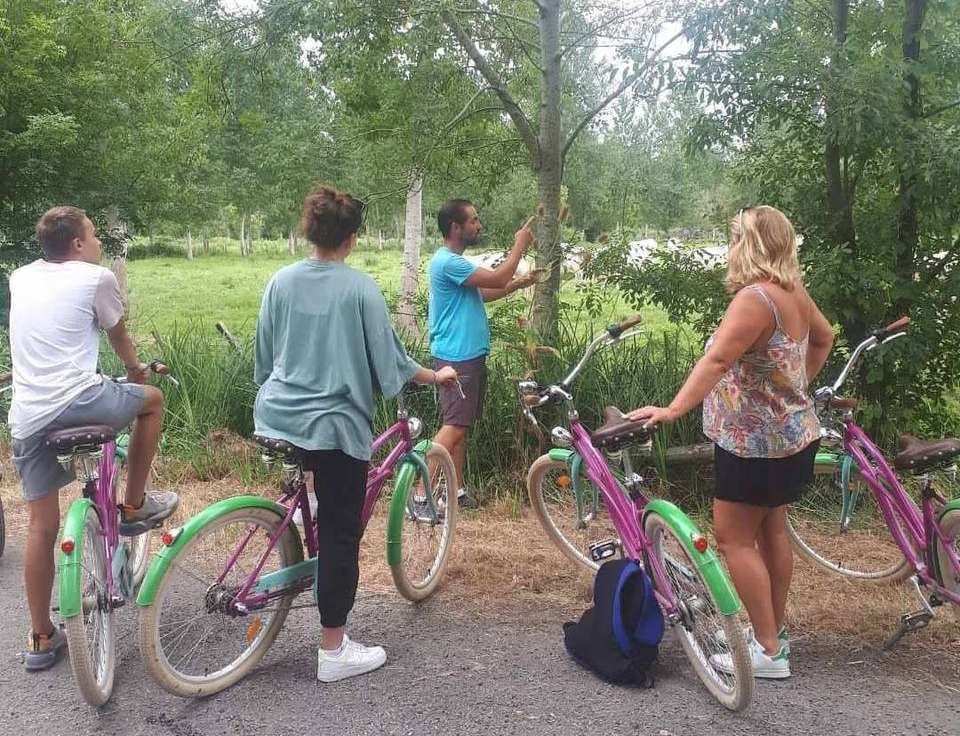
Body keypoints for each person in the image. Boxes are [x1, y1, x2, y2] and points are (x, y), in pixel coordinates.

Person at [253, 184, 458, 683]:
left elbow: (264, 357)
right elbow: (390, 363)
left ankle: (308, 512)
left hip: (277, 414)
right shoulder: (359, 287)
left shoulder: (280, 281)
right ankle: (334, 650)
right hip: (333, 423)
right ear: (352, 238)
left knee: (319, 492)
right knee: (343, 534)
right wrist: (436, 376)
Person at [626, 206, 833, 679]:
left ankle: (767, 650)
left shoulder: (756, 298)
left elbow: (717, 361)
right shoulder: (791, 292)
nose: (730, 246)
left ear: (750, 245)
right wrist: (794, 392)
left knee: (733, 538)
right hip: (792, 437)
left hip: (753, 445)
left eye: (734, 238)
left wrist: (672, 409)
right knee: (771, 532)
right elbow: (824, 339)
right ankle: (773, 635)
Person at [9, 206, 178, 671]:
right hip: (79, 401)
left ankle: (42, 638)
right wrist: (134, 370)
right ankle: (134, 503)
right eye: (94, 234)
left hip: (27, 417)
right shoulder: (96, 277)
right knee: (152, 401)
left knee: (42, 526)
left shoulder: (20, 277)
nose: (99, 241)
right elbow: (118, 333)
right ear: (78, 245)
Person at [427, 199, 537, 506]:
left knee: (459, 427)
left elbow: (486, 291)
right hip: (457, 356)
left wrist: (519, 283)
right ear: (455, 228)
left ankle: (455, 492)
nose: (479, 225)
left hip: (465, 355)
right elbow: (497, 277)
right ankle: (420, 493)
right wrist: (520, 246)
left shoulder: (452, 263)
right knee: (454, 426)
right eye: (473, 220)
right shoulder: (449, 262)